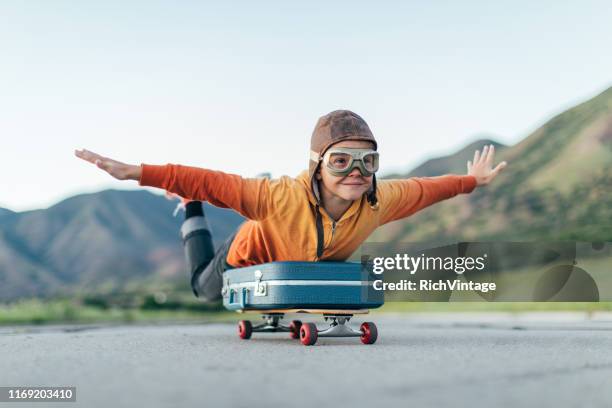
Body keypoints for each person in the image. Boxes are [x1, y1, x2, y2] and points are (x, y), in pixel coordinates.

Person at [75, 110, 507, 301]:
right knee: (202, 290)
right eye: (341, 161)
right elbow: (210, 181)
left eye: (367, 161)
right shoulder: (279, 196)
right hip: (245, 259)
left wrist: (472, 182)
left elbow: (428, 188)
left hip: (298, 271)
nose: (356, 171)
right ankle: (189, 212)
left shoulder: (380, 198)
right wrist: (139, 173)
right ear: (317, 165)